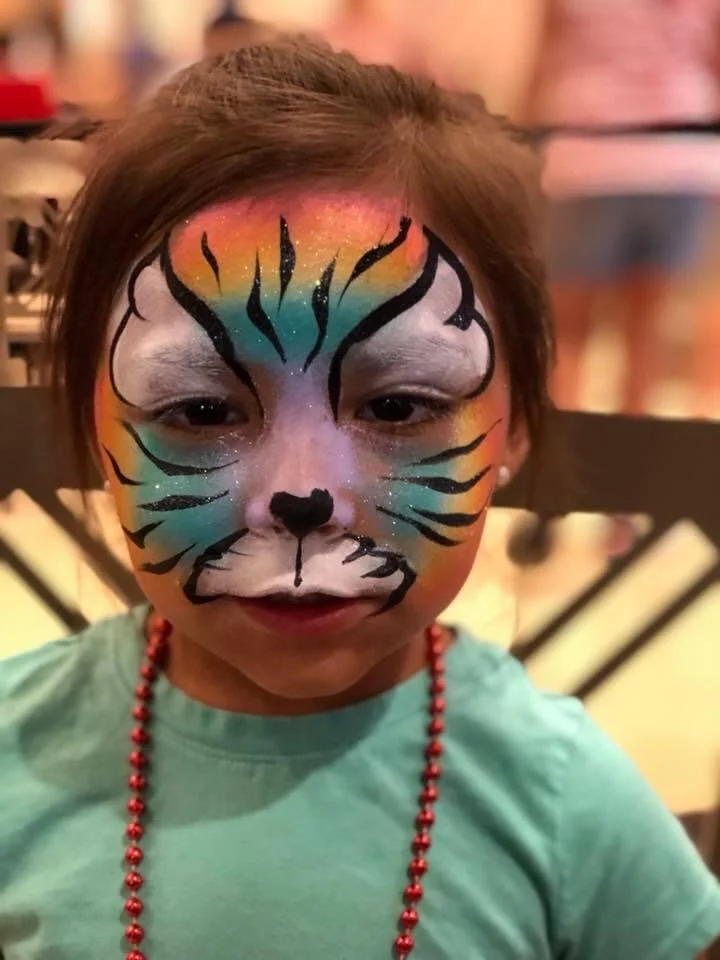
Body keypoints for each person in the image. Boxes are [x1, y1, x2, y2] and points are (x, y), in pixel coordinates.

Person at [1, 38, 718, 960]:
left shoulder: (560, 798)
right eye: (200, 409)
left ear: (515, 427)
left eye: (397, 404)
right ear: (94, 428)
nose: (302, 496)